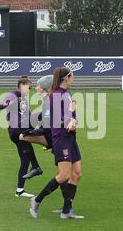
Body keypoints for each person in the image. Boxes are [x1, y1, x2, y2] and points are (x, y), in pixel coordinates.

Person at [29, 67, 84, 219]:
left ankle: (66, 211)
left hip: (70, 137)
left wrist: (73, 119)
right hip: (61, 138)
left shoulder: (66, 94)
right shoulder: (55, 96)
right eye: (71, 76)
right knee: (64, 174)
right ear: (66, 78)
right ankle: (36, 200)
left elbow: (70, 114)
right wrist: (68, 121)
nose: (73, 78)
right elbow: (54, 119)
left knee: (77, 174)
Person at [0, 77, 42, 197]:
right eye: (29, 87)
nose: (30, 90)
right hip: (16, 128)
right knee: (42, 113)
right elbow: (1, 105)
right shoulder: (13, 95)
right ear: (21, 85)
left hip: (19, 132)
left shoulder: (23, 100)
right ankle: (37, 165)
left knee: (25, 161)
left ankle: (20, 190)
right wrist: (9, 103)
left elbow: (28, 117)